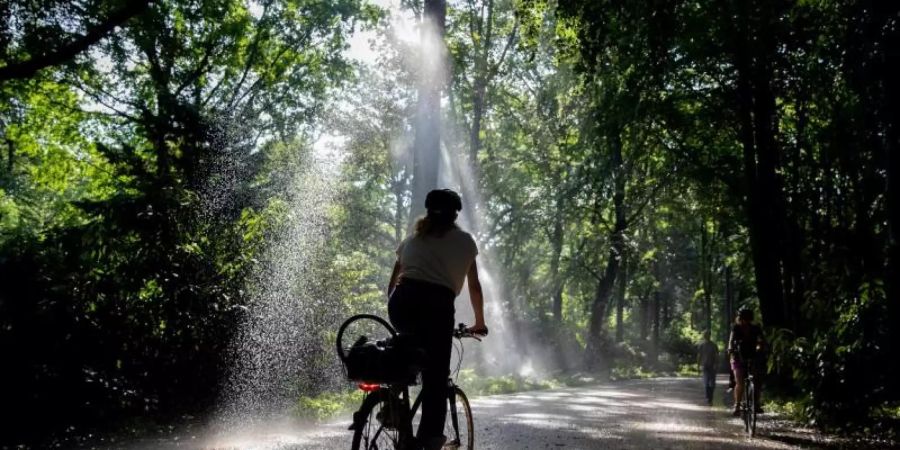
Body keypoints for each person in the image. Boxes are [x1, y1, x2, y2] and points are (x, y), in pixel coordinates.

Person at [387, 188, 488, 450]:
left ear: (429, 211)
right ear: (455, 214)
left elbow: (393, 282)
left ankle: (391, 401)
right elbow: (474, 287)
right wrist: (479, 322)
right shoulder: (465, 242)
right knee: (436, 376)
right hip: (436, 307)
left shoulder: (412, 239)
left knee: (409, 355)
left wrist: (394, 307)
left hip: (400, 303)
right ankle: (429, 441)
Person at [727, 307, 766, 416]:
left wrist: (760, 346)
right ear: (740, 318)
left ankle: (756, 403)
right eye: (743, 319)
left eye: (748, 319)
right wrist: (730, 349)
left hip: (752, 356)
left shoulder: (756, 328)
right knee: (740, 382)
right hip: (738, 357)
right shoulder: (735, 328)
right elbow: (731, 341)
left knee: (757, 380)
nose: (745, 322)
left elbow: (761, 340)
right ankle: (738, 405)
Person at [697, 330, 718, 405]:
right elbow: (699, 356)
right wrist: (698, 365)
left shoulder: (713, 345)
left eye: (707, 335)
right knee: (707, 382)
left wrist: (715, 364)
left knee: (711, 383)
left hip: (710, 366)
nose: (706, 336)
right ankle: (709, 398)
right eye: (706, 335)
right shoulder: (702, 345)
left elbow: (716, 356)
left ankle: (710, 398)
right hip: (706, 366)